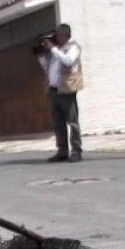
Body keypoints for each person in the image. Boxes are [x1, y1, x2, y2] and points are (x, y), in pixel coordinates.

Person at [37, 23, 84, 162]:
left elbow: (68, 61)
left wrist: (53, 49)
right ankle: (62, 150)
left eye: (58, 34)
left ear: (66, 35)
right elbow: (46, 67)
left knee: (72, 122)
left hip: (66, 90)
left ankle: (76, 150)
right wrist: (41, 53)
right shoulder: (55, 50)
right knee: (58, 123)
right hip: (53, 91)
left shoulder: (73, 47)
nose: (56, 37)